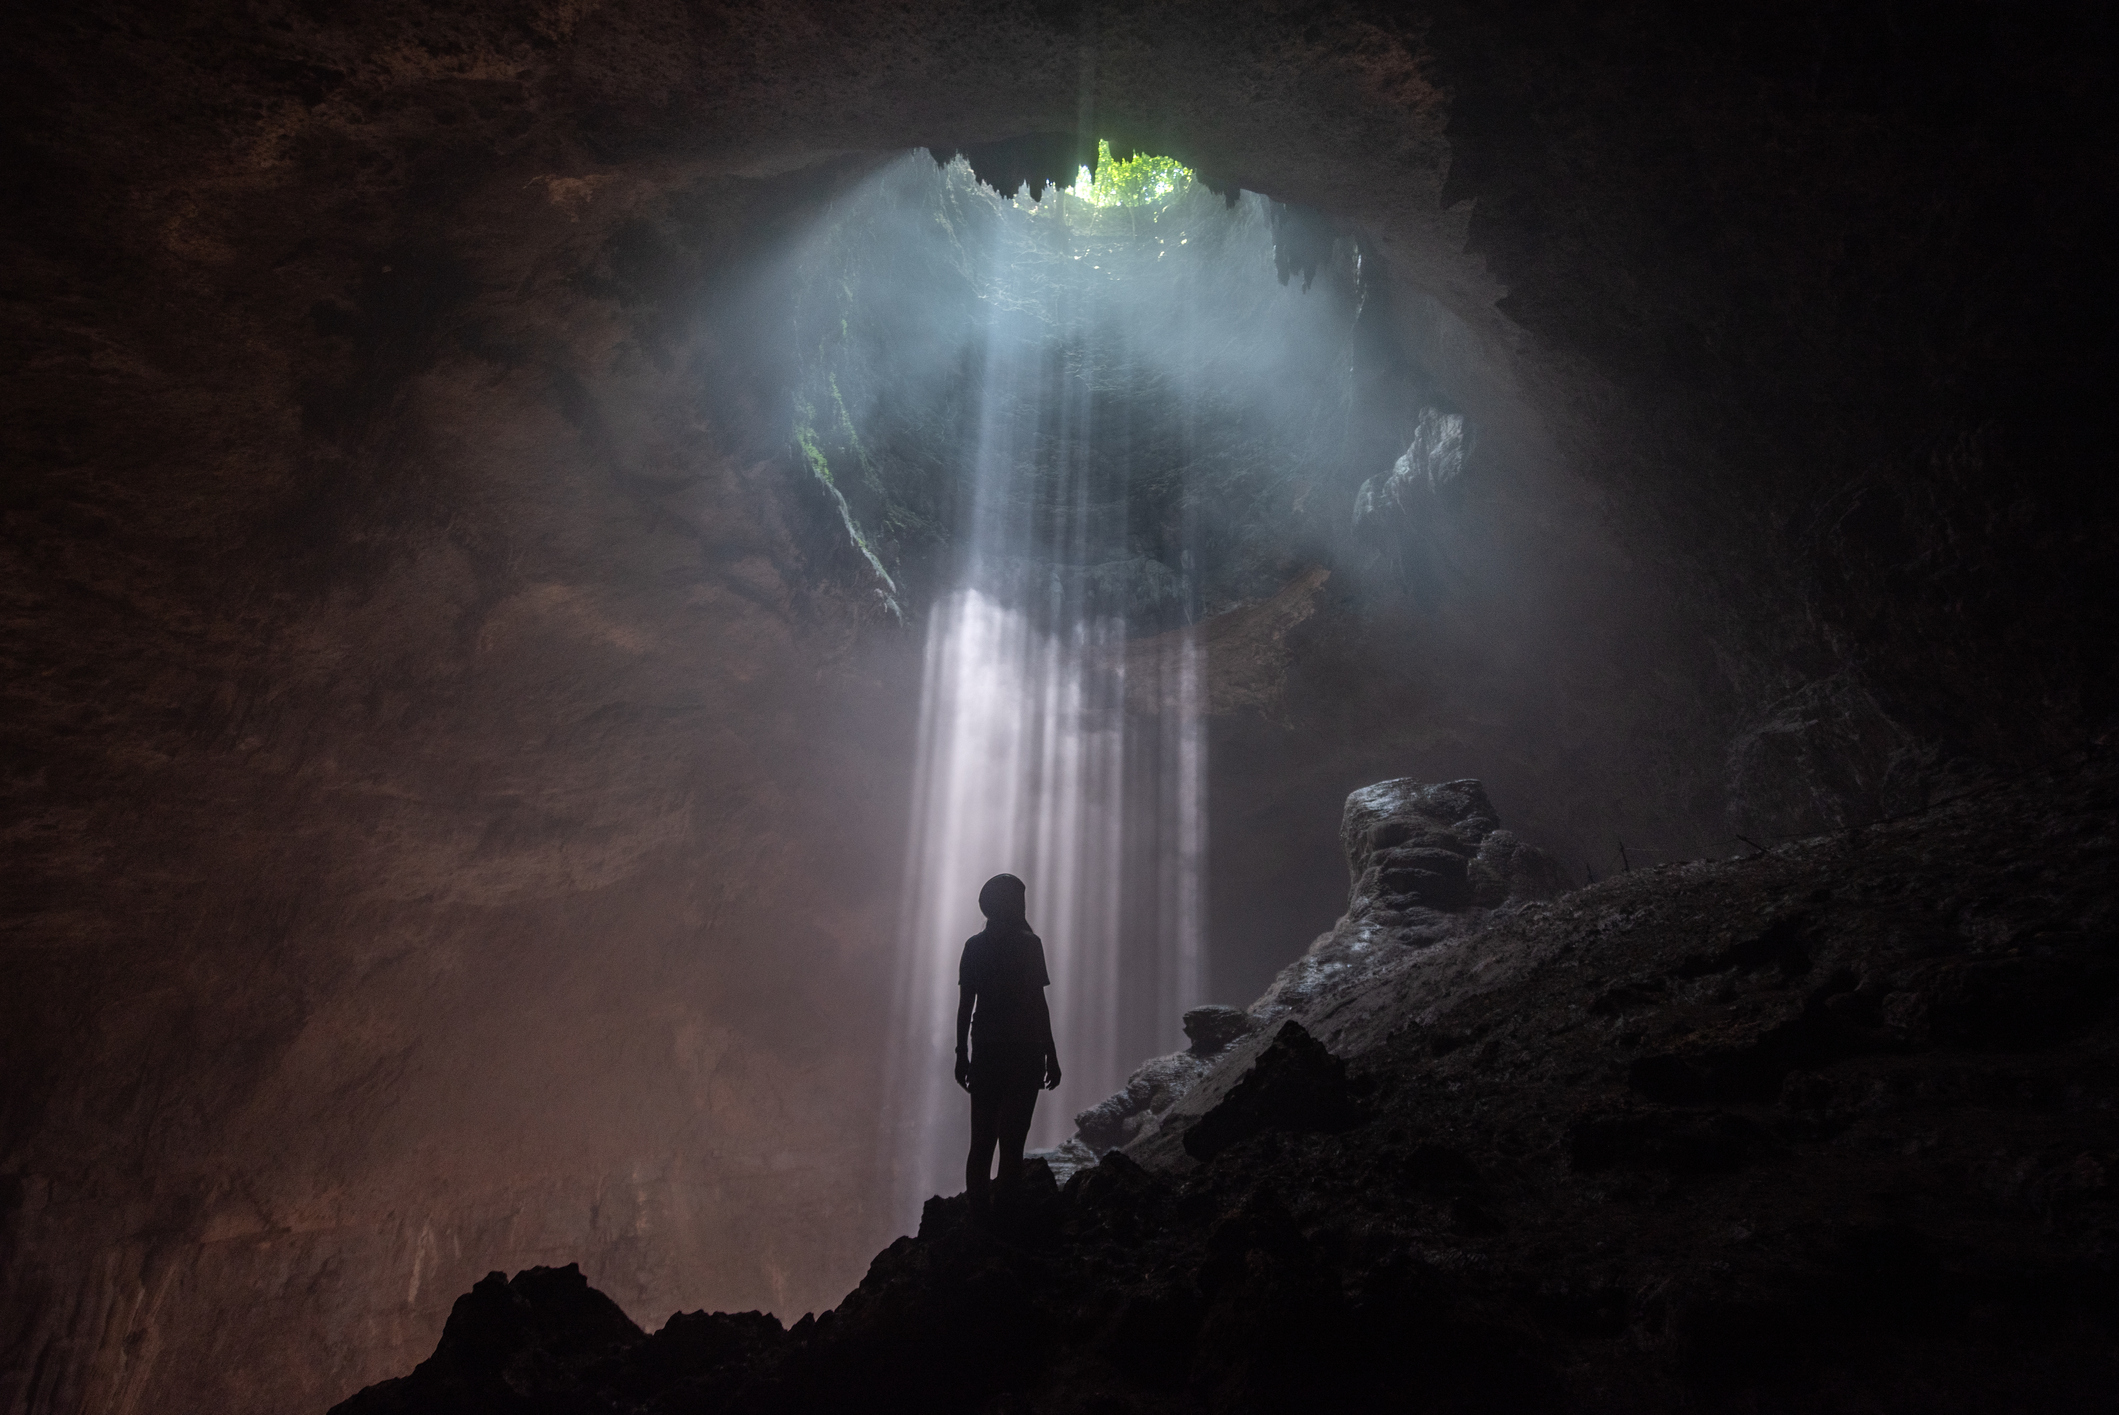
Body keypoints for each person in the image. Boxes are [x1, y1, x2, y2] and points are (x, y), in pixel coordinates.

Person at [954, 873, 1062, 1210]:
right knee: (1012, 1142)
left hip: (985, 1051)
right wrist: (1051, 1055)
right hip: (1024, 1053)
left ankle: (978, 1218)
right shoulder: (1030, 945)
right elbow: (1037, 1004)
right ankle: (1007, 1215)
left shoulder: (974, 947)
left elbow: (965, 1006)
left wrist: (961, 1054)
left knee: (981, 1142)